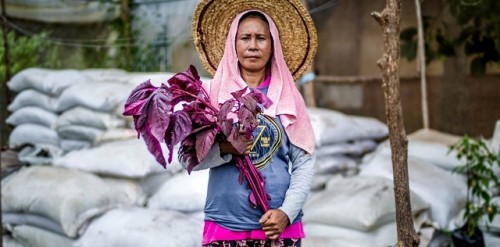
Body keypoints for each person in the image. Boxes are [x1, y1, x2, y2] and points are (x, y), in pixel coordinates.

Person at [187, 1, 318, 246]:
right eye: (245, 38)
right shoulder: (213, 96)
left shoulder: (288, 96)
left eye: (261, 38)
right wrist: (224, 149)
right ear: (233, 45)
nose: (253, 46)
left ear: (273, 45)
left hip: (278, 228)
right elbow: (189, 158)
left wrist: (286, 212)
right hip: (225, 226)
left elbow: (304, 162)